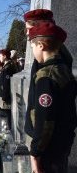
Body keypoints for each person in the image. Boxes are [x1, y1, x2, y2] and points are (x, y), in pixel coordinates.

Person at [24, 21, 76, 173]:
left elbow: (45, 120)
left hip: (49, 148)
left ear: (41, 45)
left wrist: (35, 154)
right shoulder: (63, 69)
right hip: (62, 142)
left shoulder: (46, 76)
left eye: (32, 46)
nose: (32, 50)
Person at [0, 49, 17, 129]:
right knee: (3, 116)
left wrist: (4, 96)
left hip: (6, 97)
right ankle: (4, 130)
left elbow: (6, 84)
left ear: (4, 56)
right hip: (3, 96)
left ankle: (7, 133)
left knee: (6, 117)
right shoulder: (5, 66)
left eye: (0, 56)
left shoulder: (8, 67)